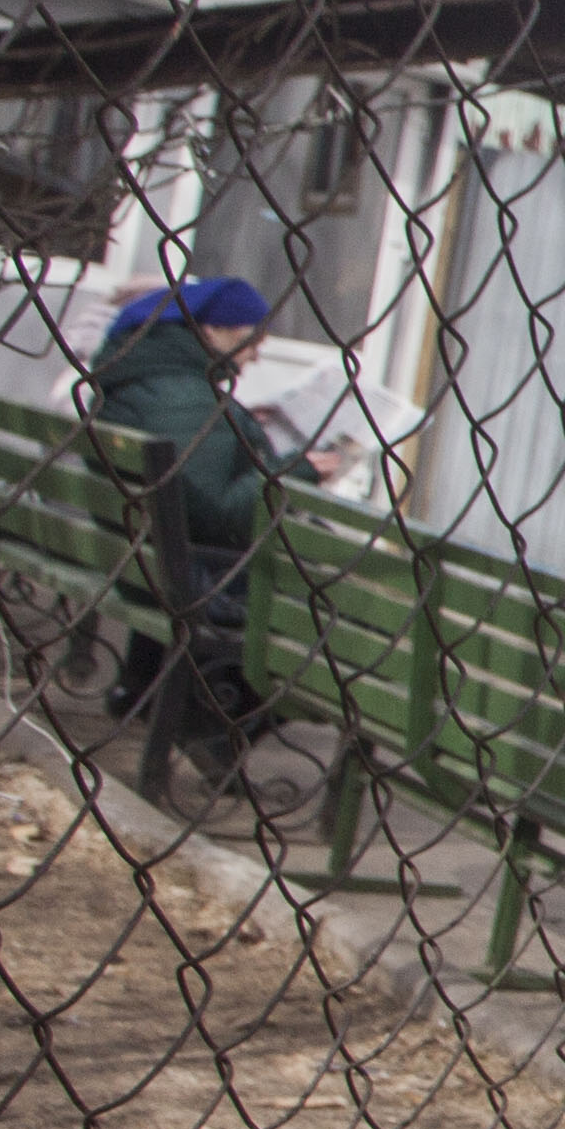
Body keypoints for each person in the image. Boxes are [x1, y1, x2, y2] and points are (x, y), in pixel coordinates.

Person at [80, 276, 341, 787]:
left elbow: (194, 468)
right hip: (195, 575)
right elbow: (221, 513)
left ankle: (150, 688)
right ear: (211, 332)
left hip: (146, 560)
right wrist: (301, 470)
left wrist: (240, 425)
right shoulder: (186, 397)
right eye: (252, 341)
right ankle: (217, 725)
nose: (254, 358)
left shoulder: (146, 378)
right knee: (344, 616)